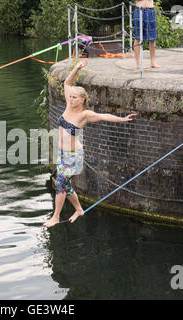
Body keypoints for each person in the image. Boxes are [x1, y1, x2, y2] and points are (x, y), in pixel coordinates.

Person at [43, 60, 137, 228]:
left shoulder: (85, 115)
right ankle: (78, 209)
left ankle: (55, 217)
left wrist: (122, 119)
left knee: (59, 183)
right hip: (62, 154)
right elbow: (67, 83)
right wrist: (77, 68)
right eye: (70, 97)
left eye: (74, 98)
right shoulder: (68, 106)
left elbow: (105, 116)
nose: (70, 100)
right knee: (64, 183)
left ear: (82, 100)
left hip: (74, 156)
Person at [133, 0, 160, 69]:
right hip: (139, 9)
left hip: (150, 9)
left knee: (152, 38)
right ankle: (138, 64)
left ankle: (153, 62)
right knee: (137, 37)